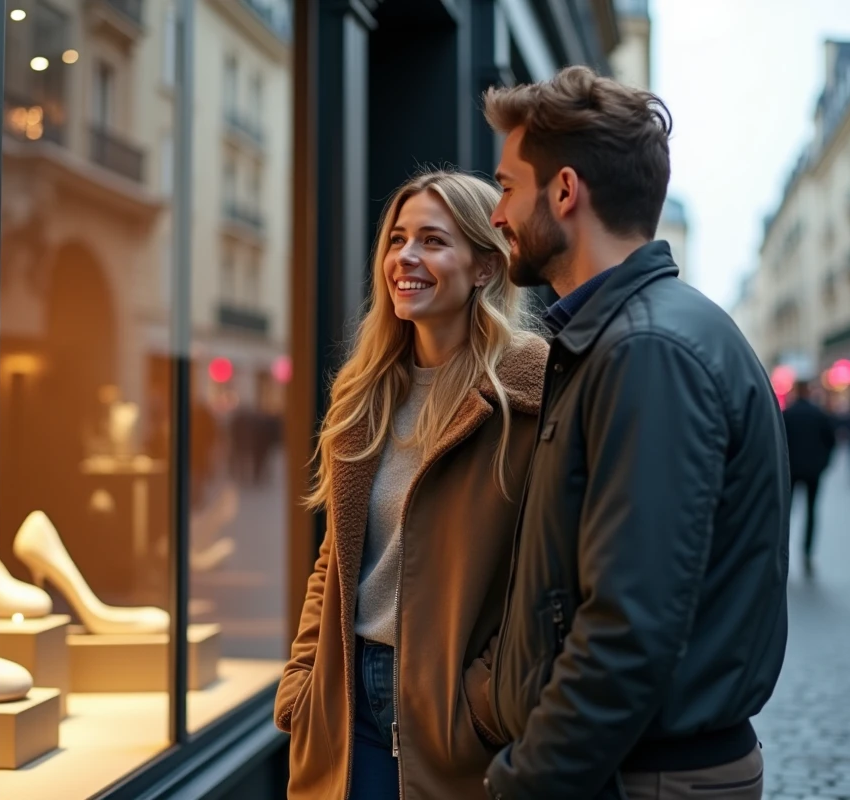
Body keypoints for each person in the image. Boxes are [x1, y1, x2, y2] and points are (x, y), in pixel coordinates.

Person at [481, 66, 789, 800]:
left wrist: (524, 783)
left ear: (563, 191)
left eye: (504, 187)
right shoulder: (623, 336)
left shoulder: (646, 350)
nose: (495, 214)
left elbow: (629, 629)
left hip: (643, 777)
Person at [275, 170, 548, 800]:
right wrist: (302, 678)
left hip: (455, 713)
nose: (406, 257)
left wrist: (484, 700)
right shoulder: (366, 391)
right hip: (346, 701)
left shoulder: (525, 392)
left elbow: (544, 572)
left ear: (484, 266)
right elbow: (336, 558)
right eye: (398, 239)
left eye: (432, 240)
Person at [782, 380, 838, 576]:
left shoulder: (787, 414)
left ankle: (783, 549)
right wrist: (823, 464)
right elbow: (831, 441)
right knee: (811, 512)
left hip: (791, 470)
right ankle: (807, 552)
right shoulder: (819, 414)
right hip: (814, 470)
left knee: (787, 512)